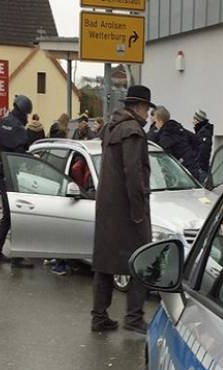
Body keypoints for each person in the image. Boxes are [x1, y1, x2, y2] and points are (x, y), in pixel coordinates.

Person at [92, 85, 154, 334]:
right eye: (148, 110)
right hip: (128, 211)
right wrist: (139, 210)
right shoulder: (133, 131)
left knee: (104, 263)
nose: (148, 115)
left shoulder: (112, 127)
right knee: (142, 260)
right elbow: (133, 173)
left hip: (107, 208)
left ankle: (99, 317)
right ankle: (134, 317)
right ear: (140, 107)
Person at [0, 95, 35, 267]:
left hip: (1, 173)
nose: (27, 118)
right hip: (9, 175)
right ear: (23, 111)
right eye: (27, 114)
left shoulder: (2, 123)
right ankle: (16, 257)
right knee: (14, 215)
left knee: (9, 216)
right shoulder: (16, 128)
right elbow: (20, 151)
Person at [153, 106, 201, 180]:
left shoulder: (165, 136)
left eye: (155, 122)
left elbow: (166, 161)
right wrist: (192, 155)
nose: (155, 125)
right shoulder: (177, 127)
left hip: (183, 173)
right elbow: (196, 140)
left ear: (160, 121)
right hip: (192, 167)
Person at [193, 110, 214, 181]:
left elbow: (203, 151)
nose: (193, 122)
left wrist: (197, 165)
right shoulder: (201, 131)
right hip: (201, 167)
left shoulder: (204, 132)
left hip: (201, 168)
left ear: (199, 120)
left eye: (194, 119)